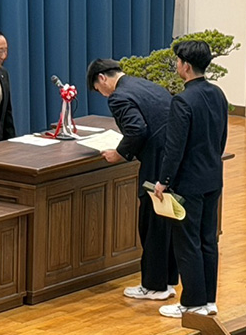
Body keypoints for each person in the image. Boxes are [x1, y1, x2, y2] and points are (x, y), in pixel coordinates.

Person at [87, 59, 179, 301]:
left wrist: (119, 153)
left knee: (152, 223)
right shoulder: (146, 85)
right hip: (173, 158)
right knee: (167, 221)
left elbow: (137, 129)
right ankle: (168, 280)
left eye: (98, 89)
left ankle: (154, 286)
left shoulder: (118, 96)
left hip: (156, 163)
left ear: (102, 78)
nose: (103, 94)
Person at [155, 41, 228, 318]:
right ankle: (209, 300)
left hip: (189, 183)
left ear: (185, 65)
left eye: (178, 61)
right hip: (213, 177)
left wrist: (164, 180)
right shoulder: (218, 94)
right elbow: (221, 137)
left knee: (187, 242)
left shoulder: (182, 101)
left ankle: (192, 303)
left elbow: (174, 147)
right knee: (208, 240)